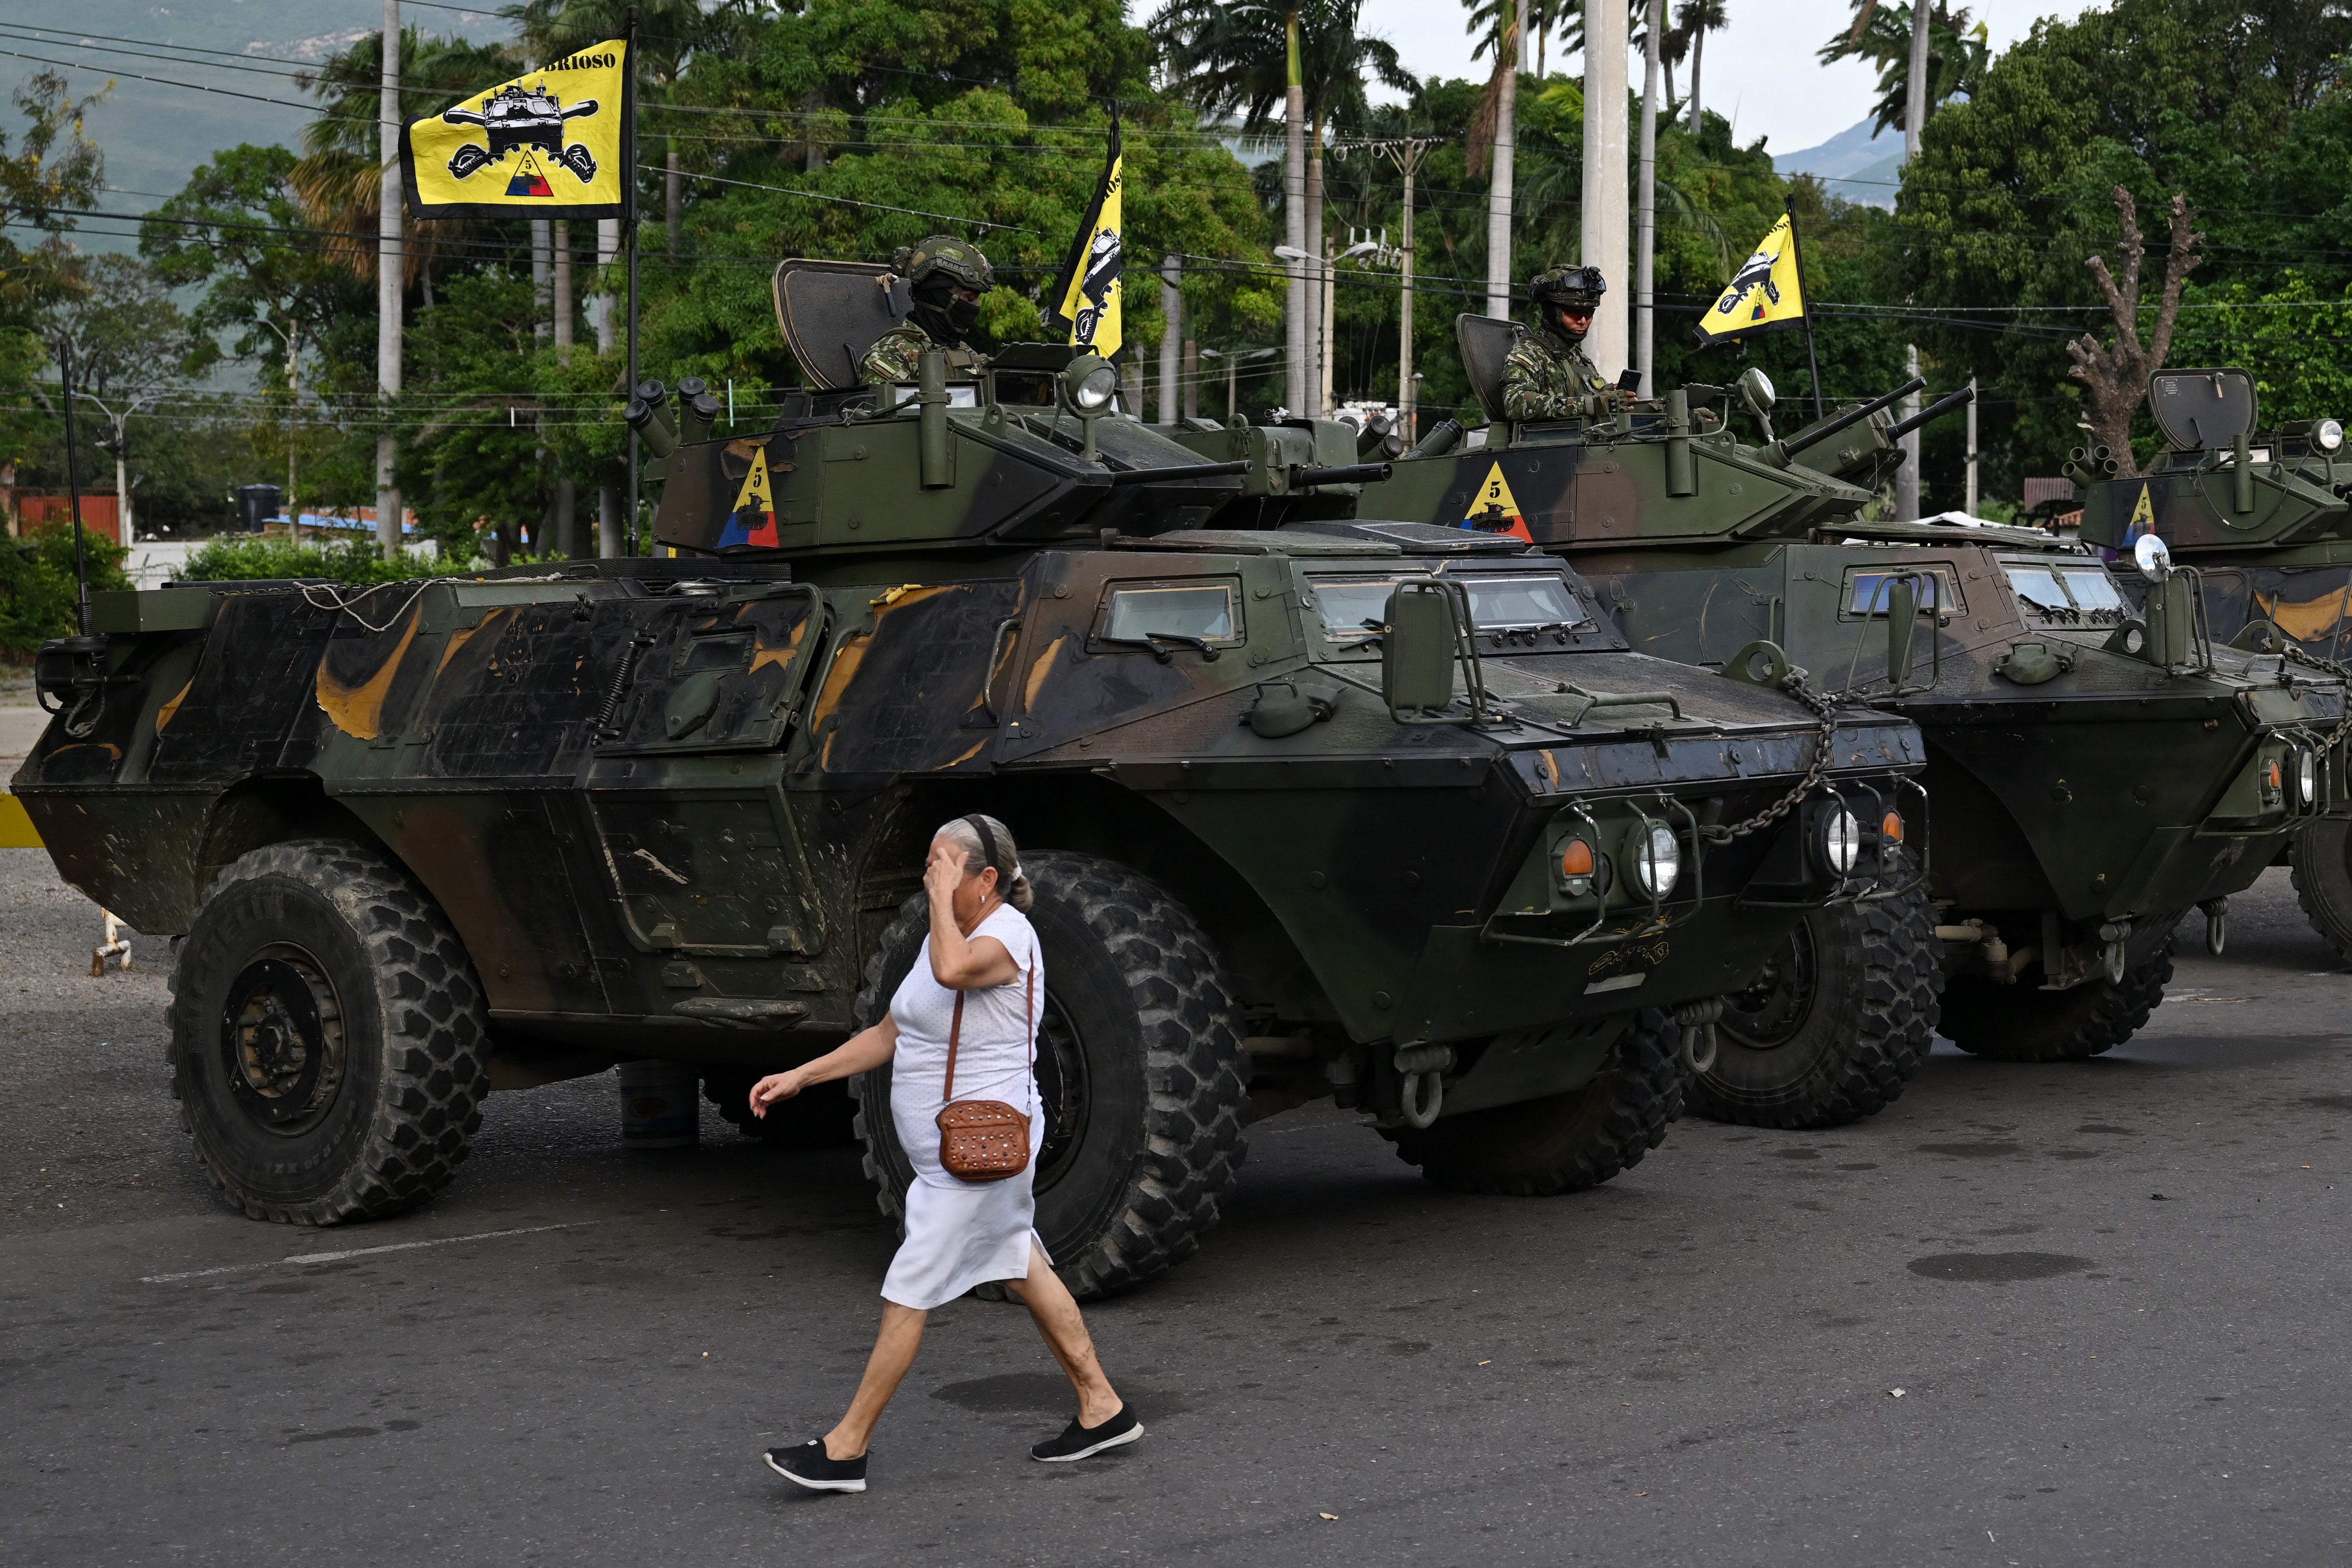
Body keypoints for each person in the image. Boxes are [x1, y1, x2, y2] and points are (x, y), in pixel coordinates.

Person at [753, 814, 1140, 1494]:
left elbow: (954, 968)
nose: (929, 873)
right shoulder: (946, 936)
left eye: (941, 864)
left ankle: (845, 1448)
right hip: (953, 1158)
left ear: (985, 878)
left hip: (976, 1155)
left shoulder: (1005, 936)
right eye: (928, 864)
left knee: (908, 1290)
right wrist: (801, 1076)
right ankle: (1102, 1406)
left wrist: (937, 904)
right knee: (1024, 1263)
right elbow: (888, 1033)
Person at [857, 235, 995, 385]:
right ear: (939, 296)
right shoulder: (894, 355)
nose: (976, 307)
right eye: (969, 299)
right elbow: (881, 406)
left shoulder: (963, 351)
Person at [1501, 265, 1621, 423]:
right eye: (1574, 313)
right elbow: (1515, 404)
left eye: (1589, 313)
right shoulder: (1527, 354)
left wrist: (1610, 397)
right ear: (1551, 311)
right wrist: (1591, 405)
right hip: (1545, 446)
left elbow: (1595, 404)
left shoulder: (1579, 358)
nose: (1583, 321)